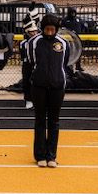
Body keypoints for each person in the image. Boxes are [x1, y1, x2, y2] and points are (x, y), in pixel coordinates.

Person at [26, 14, 69, 168]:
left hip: (57, 87)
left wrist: (57, 78)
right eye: (47, 29)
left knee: (54, 121)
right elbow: (31, 62)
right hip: (39, 86)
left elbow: (64, 63)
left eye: (52, 30)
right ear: (42, 28)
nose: (50, 32)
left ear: (56, 29)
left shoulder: (63, 43)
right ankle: (40, 155)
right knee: (39, 120)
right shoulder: (34, 42)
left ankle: (51, 156)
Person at [19, 16, 40, 110]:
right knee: (26, 82)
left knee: (38, 82)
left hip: (38, 65)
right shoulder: (23, 43)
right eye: (32, 31)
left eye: (35, 31)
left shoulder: (40, 42)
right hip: (27, 64)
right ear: (27, 32)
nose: (34, 33)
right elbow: (23, 56)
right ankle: (28, 99)